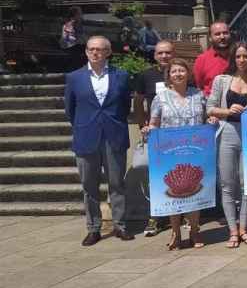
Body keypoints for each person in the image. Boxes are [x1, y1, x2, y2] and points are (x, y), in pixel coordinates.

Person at [65, 36, 134, 246]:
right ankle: (93, 228)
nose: (95, 53)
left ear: (108, 52)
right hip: (87, 137)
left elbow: (124, 105)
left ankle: (120, 225)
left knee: (117, 183)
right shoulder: (74, 78)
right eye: (91, 49)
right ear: (86, 52)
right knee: (89, 186)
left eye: (100, 49)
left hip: (113, 136)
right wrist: (84, 125)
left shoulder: (121, 76)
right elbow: (70, 109)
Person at [142, 58, 208, 250]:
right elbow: (154, 122)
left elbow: (205, 119)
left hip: (195, 151)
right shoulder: (160, 98)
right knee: (173, 193)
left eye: (182, 70)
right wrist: (149, 129)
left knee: (195, 191)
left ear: (188, 73)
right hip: (170, 153)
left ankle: (194, 231)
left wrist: (211, 120)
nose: (178, 74)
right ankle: (176, 232)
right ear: (168, 75)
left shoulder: (198, 95)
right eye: (174, 71)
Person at [207, 42, 247, 248]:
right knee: (227, 184)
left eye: (245, 56)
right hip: (227, 132)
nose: (241, 60)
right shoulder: (221, 80)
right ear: (233, 59)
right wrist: (228, 111)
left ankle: (244, 228)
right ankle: (232, 230)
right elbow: (210, 108)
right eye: (238, 56)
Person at [133, 39, 177, 237]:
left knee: (177, 172)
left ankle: (181, 213)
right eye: (161, 53)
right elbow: (139, 101)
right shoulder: (146, 76)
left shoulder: (181, 72)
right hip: (156, 133)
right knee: (152, 174)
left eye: (168, 53)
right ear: (155, 55)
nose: (164, 56)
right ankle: (156, 215)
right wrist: (142, 125)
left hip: (177, 133)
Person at [193, 22, 233, 96]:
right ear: (210, 38)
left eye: (225, 33)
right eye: (217, 34)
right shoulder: (202, 60)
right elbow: (199, 86)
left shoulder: (238, 57)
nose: (222, 37)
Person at [60, 6, 86, 71]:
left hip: (75, 46)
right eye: (80, 13)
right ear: (75, 15)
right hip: (69, 47)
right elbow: (67, 38)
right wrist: (79, 41)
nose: (81, 15)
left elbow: (81, 37)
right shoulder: (70, 24)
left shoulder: (78, 24)